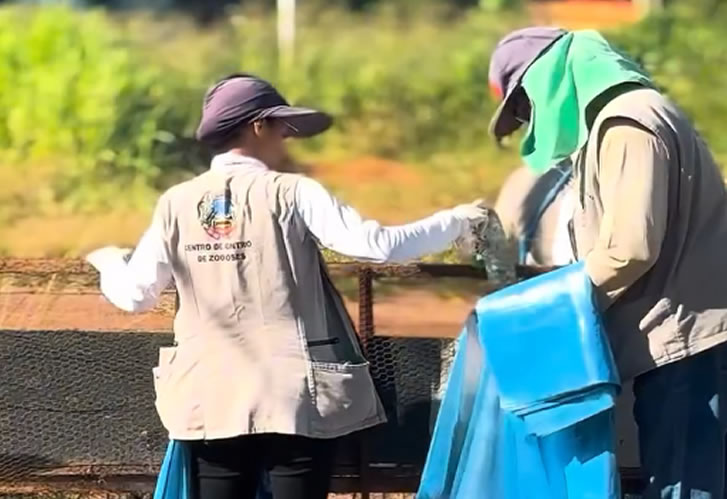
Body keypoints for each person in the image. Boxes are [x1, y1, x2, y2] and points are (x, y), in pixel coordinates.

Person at [85, 73, 488, 499]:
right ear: (257, 125)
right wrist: (457, 222)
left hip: (211, 396)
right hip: (292, 398)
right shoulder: (292, 192)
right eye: (282, 126)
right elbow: (376, 245)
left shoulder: (176, 203)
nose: (286, 138)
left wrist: (109, 260)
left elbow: (135, 295)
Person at [487, 27, 727, 498]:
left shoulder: (626, 125)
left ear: (545, 80)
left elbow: (629, 249)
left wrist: (549, 309)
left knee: (685, 483)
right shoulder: (624, 119)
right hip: (675, 334)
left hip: (681, 339)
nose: (525, 120)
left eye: (523, 106)